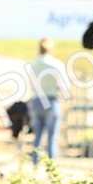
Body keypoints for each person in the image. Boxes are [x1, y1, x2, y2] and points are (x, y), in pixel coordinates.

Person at [26, 38, 66, 166]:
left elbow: (31, 84)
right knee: (52, 138)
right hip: (52, 101)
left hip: (37, 101)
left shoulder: (33, 64)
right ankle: (52, 170)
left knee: (37, 137)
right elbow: (64, 85)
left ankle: (35, 168)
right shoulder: (56, 64)